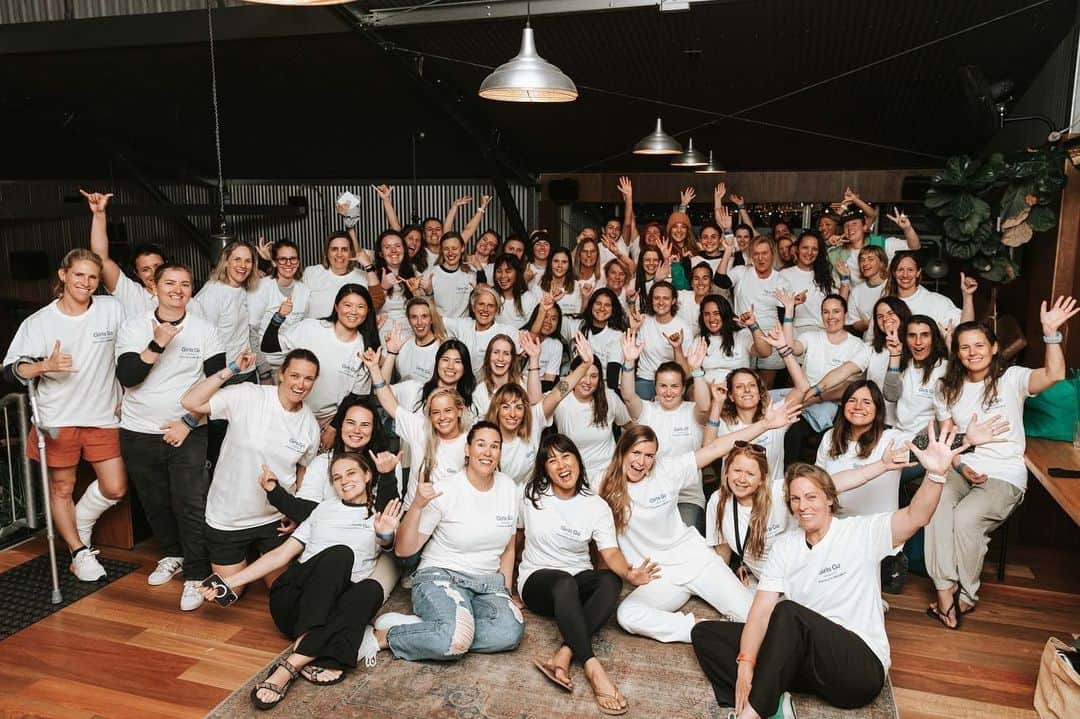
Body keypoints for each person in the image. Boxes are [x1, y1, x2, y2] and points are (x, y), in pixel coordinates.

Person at [690, 427, 964, 719]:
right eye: (795, 500)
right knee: (706, 634)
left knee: (788, 613)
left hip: (859, 669)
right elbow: (759, 613)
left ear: (830, 499)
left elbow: (916, 516)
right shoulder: (785, 546)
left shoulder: (860, 532)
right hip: (808, 661)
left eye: (811, 497)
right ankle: (775, 694)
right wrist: (745, 662)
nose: (802, 506)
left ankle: (756, 712)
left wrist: (935, 475)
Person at [199, 453, 403, 710]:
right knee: (340, 555)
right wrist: (230, 582)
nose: (344, 481)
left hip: (335, 607)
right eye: (337, 477)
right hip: (294, 603)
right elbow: (281, 555)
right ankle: (317, 645)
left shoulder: (381, 514)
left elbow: (388, 544)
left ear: (367, 475)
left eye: (351, 473)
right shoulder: (322, 510)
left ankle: (293, 662)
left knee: (370, 590)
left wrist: (384, 532)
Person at [925, 299, 1078, 627]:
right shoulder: (946, 389)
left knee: (965, 518)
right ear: (957, 353)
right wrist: (964, 458)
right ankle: (944, 592)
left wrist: (1051, 333)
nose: (972, 352)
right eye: (964, 347)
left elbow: (1055, 374)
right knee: (935, 505)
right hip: (958, 466)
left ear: (994, 348)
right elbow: (946, 443)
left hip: (1004, 475)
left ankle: (966, 594)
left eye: (979, 345)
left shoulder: (1013, 379)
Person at [601, 401, 801, 645]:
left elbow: (716, 448)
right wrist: (628, 573)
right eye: (636, 453)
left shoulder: (666, 471)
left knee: (756, 619)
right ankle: (704, 629)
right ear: (622, 450)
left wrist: (766, 424)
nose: (641, 462)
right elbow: (604, 543)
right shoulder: (602, 483)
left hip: (696, 560)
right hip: (659, 577)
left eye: (649, 456)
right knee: (628, 614)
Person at [2, 248, 126, 581]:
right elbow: (10, 371)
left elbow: (130, 348)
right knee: (62, 488)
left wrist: (128, 393)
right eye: (79, 275)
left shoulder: (111, 310)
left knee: (115, 487)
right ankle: (78, 551)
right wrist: (44, 366)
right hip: (57, 419)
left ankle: (80, 524)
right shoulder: (39, 322)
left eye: (92, 277)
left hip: (102, 414)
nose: (85, 282)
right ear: (63, 275)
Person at [521, 434, 659, 715]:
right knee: (563, 582)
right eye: (552, 459)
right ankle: (593, 667)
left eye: (566, 456)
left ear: (577, 460)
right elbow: (513, 538)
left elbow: (610, 553)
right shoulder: (531, 495)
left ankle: (565, 652)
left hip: (576, 582)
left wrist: (629, 574)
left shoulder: (595, 506)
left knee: (609, 579)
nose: (561, 464)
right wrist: (504, 587)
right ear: (545, 468)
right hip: (538, 581)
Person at [115, 263, 225, 609]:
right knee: (155, 500)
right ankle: (173, 554)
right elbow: (129, 377)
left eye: (185, 284)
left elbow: (218, 383)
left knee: (190, 501)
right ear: (155, 288)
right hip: (138, 429)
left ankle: (195, 574)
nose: (178, 289)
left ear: (191, 290)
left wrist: (189, 423)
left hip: (188, 429)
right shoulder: (134, 327)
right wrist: (157, 343)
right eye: (170, 283)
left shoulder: (205, 330)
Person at [374, 422, 524, 661]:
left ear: (500, 452)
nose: (487, 452)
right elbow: (403, 549)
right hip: (442, 576)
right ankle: (389, 636)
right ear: (467, 449)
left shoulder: (508, 487)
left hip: (487, 583)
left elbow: (509, 544)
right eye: (481, 444)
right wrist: (417, 505)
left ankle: (438, 627)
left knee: (509, 633)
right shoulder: (446, 489)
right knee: (453, 640)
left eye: (494, 446)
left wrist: (505, 589)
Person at [180, 348, 321, 588]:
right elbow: (190, 401)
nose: (301, 384)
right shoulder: (248, 395)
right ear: (282, 374)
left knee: (279, 589)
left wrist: (294, 512)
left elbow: (302, 473)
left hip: (273, 520)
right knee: (231, 594)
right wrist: (232, 369)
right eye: (295, 375)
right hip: (228, 518)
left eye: (308, 378)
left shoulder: (309, 425)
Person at [261, 283, 380, 450]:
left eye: (360, 307)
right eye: (348, 305)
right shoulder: (312, 328)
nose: (353, 311)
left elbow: (356, 396)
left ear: (367, 311)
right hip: (292, 411)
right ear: (336, 306)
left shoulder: (365, 348)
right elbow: (269, 346)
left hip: (329, 420)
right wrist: (279, 317)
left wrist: (333, 428)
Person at [619, 333, 710, 532]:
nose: (668, 392)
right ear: (656, 387)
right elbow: (627, 395)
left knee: (684, 543)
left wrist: (696, 370)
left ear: (683, 388)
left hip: (687, 496)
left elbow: (705, 406)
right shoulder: (646, 410)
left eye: (674, 386)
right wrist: (628, 362)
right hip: (650, 493)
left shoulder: (693, 411)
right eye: (663, 386)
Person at [364, 350, 471, 508]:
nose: (442, 417)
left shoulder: (470, 440)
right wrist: (374, 369)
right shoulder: (419, 428)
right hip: (414, 511)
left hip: (450, 515)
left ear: (460, 411)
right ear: (428, 415)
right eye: (435, 412)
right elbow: (389, 404)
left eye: (448, 410)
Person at [489, 333, 593, 485]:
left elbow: (559, 392)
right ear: (496, 410)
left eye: (518, 407)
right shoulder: (487, 435)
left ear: (525, 409)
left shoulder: (534, 419)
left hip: (529, 496)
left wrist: (585, 365)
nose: (512, 414)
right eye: (506, 407)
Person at [704, 443, 790, 587]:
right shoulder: (718, 501)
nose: (742, 479)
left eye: (750, 474)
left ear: (762, 479)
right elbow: (722, 551)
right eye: (737, 470)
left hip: (797, 576)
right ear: (726, 471)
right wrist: (728, 582)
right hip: (766, 584)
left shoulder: (779, 492)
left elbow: (824, 485)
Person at [551, 354, 632, 491]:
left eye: (594, 376)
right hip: (574, 476)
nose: (588, 381)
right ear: (572, 375)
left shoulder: (609, 397)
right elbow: (536, 401)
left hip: (608, 474)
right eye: (583, 374)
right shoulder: (562, 400)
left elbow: (630, 426)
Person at [718, 236, 790, 387]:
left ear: (772, 254)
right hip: (743, 336)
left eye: (765, 253)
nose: (760, 258)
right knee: (742, 384)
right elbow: (720, 280)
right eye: (756, 254)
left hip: (770, 337)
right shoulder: (741, 272)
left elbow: (784, 317)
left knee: (764, 388)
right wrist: (728, 250)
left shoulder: (780, 280)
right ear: (751, 256)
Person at [82, 189, 164, 318]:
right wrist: (99, 214)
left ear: (168, 265)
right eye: (145, 269)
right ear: (137, 274)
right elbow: (101, 258)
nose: (153, 273)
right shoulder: (131, 294)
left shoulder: (187, 299)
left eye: (157, 266)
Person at [249, 239, 311, 382]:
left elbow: (303, 331)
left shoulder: (304, 291)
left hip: (292, 364)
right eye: (283, 259)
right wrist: (264, 371)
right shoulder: (262, 288)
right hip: (265, 365)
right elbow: (250, 332)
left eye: (292, 259)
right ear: (274, 262)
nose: (288, 264)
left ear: (298, 262)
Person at [625, 281, 692, 401]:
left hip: (671, 380)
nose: (661, 302)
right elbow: (630, 353)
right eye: (656, 298)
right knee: (639, 411)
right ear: (651, 300)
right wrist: (634, 330)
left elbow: (686, 373)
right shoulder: (643, 321)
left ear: (673, 301)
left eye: (666, 298)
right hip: (646, 379)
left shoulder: (683, 327)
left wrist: (677, 348)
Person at [829, 206, 920, 287]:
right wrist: (827, 243)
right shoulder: (836, 253)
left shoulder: (879, 243)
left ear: (864, 227)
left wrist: (907, 229)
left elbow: (914, 247)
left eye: (854, 224)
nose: (850, 229)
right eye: (846, 225)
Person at [882, 252, 972, 329]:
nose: (905, 275)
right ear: (893, 273)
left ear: (918, 272)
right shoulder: (884, 303)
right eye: (900, 270)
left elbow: (966, 328)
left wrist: (967, 296)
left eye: (910, 270)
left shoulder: (937, 301)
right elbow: (872, 338)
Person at [302, 232, 381, 320]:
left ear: (351, 253)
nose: (339, 254)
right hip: (314, 330)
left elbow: (377, 303)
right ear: (327, 253)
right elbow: (299, 306)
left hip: (348, 332)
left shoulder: (363, 276)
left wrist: (368, 265)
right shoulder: (311, 273)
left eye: (344, 249)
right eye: (334, 249)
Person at [443, 285, 517, 376]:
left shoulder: (507, 331)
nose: (485, 309)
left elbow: (530, 345)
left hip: (490, 386)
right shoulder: (463, 325)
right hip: (462, 383)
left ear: (496, 310)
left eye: (490, 306)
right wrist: (429, 293)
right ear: (473, 307)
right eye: (481, 304)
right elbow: (436, 320)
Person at [561, 287, 627, 387]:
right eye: (598, 303)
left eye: (607, 305)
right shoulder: (576, 324)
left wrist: (607, 399)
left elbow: (612, 376)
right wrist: (551, 302)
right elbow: (549, 322)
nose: (602, 308)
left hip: (600, 386)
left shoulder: (617, 336)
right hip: (573, 382)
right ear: (591, 305)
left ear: (613, 310)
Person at [697, 296, 772, 384]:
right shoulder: (699, 340)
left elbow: (766, 352)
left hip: (739, 390)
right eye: (707, 314)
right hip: (709, 391)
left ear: (725, 314)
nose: (711, 319)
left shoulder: (741, 335)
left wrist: (753, 325)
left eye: (716, 313)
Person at [779, 231, 835, 338]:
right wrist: (793, 304)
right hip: (795, 332)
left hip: (824, 333)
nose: (809, 252)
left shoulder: (825, 276)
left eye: (814, 249)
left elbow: (837, 306)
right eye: (805, 247)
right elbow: (777, 313)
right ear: (797, 249)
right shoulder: (784, 275)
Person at [381, 297, 445, 385]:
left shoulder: (442, 348)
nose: (419, 322)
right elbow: (381, 386)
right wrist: (391, 353)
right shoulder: (401, 342)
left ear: (431, 319)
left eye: (424, 316)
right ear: (409, 320)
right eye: (414, 317)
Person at [371, 229, 419, 341]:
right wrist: (383, 288)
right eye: (387, 247)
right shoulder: (372, 276)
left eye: (397, 246)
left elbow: (424, 309)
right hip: (384, 332)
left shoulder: (415, 273)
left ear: (404, 249)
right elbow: (367, 311)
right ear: (381, 254)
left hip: (413, 331)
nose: (393, 250)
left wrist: (417, 291)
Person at [473, 333, 531, 417]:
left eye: (506, 353)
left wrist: (534, 358)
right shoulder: (479, 392)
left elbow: (537, 407)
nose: (500, 358)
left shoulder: (525, 383)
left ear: (512, 359)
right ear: (488, 357)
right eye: (496, 352)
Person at [424, 232, 476, 319]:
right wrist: (429, 292)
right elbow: (424, 307)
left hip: (462, 328)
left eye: (454, 248)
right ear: (441, 250)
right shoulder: (431, 274)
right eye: (446, 249)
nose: (450, 253)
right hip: (439, 327)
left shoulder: (471, 274)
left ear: (462, 248)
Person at [842, 245, 889, 339]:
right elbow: (854, 323)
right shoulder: (856, 291)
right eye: (862, 260)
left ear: (881, 263)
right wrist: (869, 323)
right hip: (869, 341)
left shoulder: (891, 285)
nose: (865, 263)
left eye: (870, 259)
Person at [493, 253, 539, 327]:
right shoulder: (490, 296)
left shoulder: (529, 298)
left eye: (508, 271)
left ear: (517, 273)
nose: (503, 275)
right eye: (499, 271)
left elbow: (533, 327)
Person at [538, 247, 582, 316]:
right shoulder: (539, 285)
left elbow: (578, 315)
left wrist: (586, 298)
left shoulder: (576, 286)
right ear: (550, 263)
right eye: (556, 261)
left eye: (564, 262)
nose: (559, 265)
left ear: (569, 265)